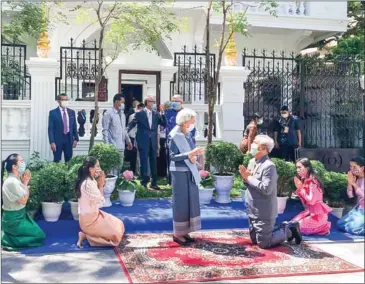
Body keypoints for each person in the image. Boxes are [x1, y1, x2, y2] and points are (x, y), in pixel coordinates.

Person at [239, 134, 302, 249]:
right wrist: (245, 178)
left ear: (263, 148)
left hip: (264, 211)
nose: (251, 145)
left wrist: (248, 178)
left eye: (255, 143)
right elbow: (248, 183)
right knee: (255, 240)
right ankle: (280, 227)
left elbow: (266, 189)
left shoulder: (269, 166)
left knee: (264, 244)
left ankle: (289, 230)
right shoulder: (252, 162)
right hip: (252, 208)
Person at [168, 108, 204, 245]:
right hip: (179, 173)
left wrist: (195, 155)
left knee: (191, 201)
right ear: (185, 121)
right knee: (181, 202)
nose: (193, 123)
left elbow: (191, 151)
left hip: (190, 170)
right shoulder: (174, 135)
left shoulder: (187, 134)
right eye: (192, 121)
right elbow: (172, 157)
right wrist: (189, 155)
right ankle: (177, 233)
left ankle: (186, 231)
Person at [76, 156, 125, 248]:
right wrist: (101, 185)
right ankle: (87, 236)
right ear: (91, 169)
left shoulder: (90, 180)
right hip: (89, 222)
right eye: (97, 166)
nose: (100, 169)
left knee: (120, 225)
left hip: (95, 215)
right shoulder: (88, 184)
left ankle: (88, 235)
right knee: (116, 237)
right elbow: (101, 203)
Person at [1, 154, 46, 251]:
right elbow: (24, 201)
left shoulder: (16, 180)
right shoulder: (12, 182)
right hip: (13, 219)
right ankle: (7, 240)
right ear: (14, 166)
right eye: (21, 161)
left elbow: (25, 196)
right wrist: (25, 183)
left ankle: (8, 236)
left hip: (20, 216)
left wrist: (25, 182)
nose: (23, 163)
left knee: (38, 234)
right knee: (39, 236)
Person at [127, 95, 167, 190]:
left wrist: (162, 112)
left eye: (154, 101)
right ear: (147, 102)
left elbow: (164, 124)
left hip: (153, 141)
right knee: (144, 161)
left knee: (153, 161)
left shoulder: (156, 114)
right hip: (143, 140)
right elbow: (132, 124)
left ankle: (154, 183)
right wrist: (125, 132)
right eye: (151, 101)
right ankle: (144, 182)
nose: (153, 103)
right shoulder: (139, 113)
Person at [291, 158, 331, 235]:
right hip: (309, 212)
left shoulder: (313, 182)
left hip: (318, 216)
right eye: (297, 168)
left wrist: (300, 188)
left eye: (300, 167)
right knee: (291, 224)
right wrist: (300, 188)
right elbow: (305, 203)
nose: (297, 170)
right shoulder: (305, 180)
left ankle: (323, 227)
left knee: (294, 227)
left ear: (307, 168)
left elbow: (311, 201)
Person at [102, 94, 133, 175]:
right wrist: (107, 145)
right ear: (116, 102)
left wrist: (128, 141)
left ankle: (117, 184)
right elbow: (105, 130)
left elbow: (124, 129)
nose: (123, 104)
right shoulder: (108, 113)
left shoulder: (123, 115)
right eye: (122, 102)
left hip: (121, 145)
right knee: (112, 168)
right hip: (112, 146)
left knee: (119, 166)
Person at [48, 93, 79, 163]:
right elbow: (51, 128)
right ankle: (56, 173)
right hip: (58, 139)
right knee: (57, 159)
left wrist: (76, 139)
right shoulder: (53, 113)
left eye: (66, 99)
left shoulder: (71, 112)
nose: (65, 101)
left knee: (69, 160)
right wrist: (52, 142)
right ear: (58, 101)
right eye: (63, 100)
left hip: (68, 138)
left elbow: (74, 126)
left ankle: (68, 174)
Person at [337, 156, 364, 236]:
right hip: (358, 209)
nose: (352, 169)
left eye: (354, 167)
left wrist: (354, 184)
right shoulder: (356, 179)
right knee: (340, 224)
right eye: (351, 166)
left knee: (353, 228)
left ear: (362, 168)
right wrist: (349, 183)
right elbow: (351, 196)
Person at [127, 102, 145, 175]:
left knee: (139, 156)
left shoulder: (144, 116)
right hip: (133, 137)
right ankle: (134, 171)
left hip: (140, 137)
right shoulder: (132, 116)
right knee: (134, 156)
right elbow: (130, 126)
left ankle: (138, 171)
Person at [157, 101, 171, 178]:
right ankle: (161, 173)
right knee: (161, 156)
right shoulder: (161, 114)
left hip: (166, 136)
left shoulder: (169, 115)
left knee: (165, 156)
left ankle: (164, 173)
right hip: (161, 137)